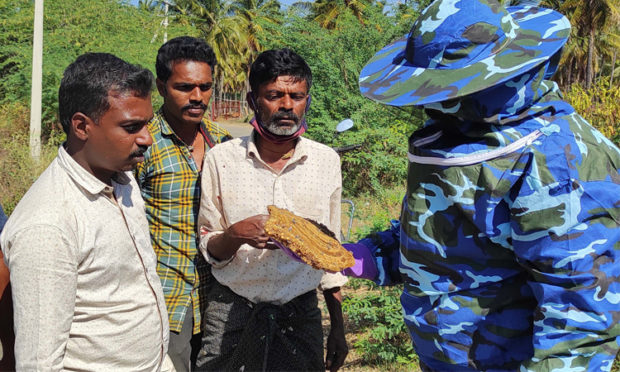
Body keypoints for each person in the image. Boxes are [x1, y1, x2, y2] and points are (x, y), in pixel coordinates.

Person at [343, 0, 620, 370]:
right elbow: (448, 239)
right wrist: (373, 256)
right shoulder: (458, 141)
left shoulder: (556, 161)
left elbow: (578, 319)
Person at [0, 53, 171, 371]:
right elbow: (39, 363)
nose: (147, 138)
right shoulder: (47, 225)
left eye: (148, 124)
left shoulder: (122, 176)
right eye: (132, 127)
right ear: (81, 126)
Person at [195, 48, 349, 371]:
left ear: (307, 99)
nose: (286, 106)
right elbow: (209, 246)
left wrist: (337, 326)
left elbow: (331, 257)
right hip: (233, 310)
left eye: (296, 96)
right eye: (274, 95)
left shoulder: (326, 162)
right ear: (253, 101)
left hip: (300, 313)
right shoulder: (220, 160)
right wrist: (237, 234)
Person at [135, 36, 231, 372]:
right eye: (184, 87)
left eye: (205, 87)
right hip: (165, 299)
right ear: (161, 87)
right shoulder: (141, 144)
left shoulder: (224, 144)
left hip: (219, 299)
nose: (197, 97)